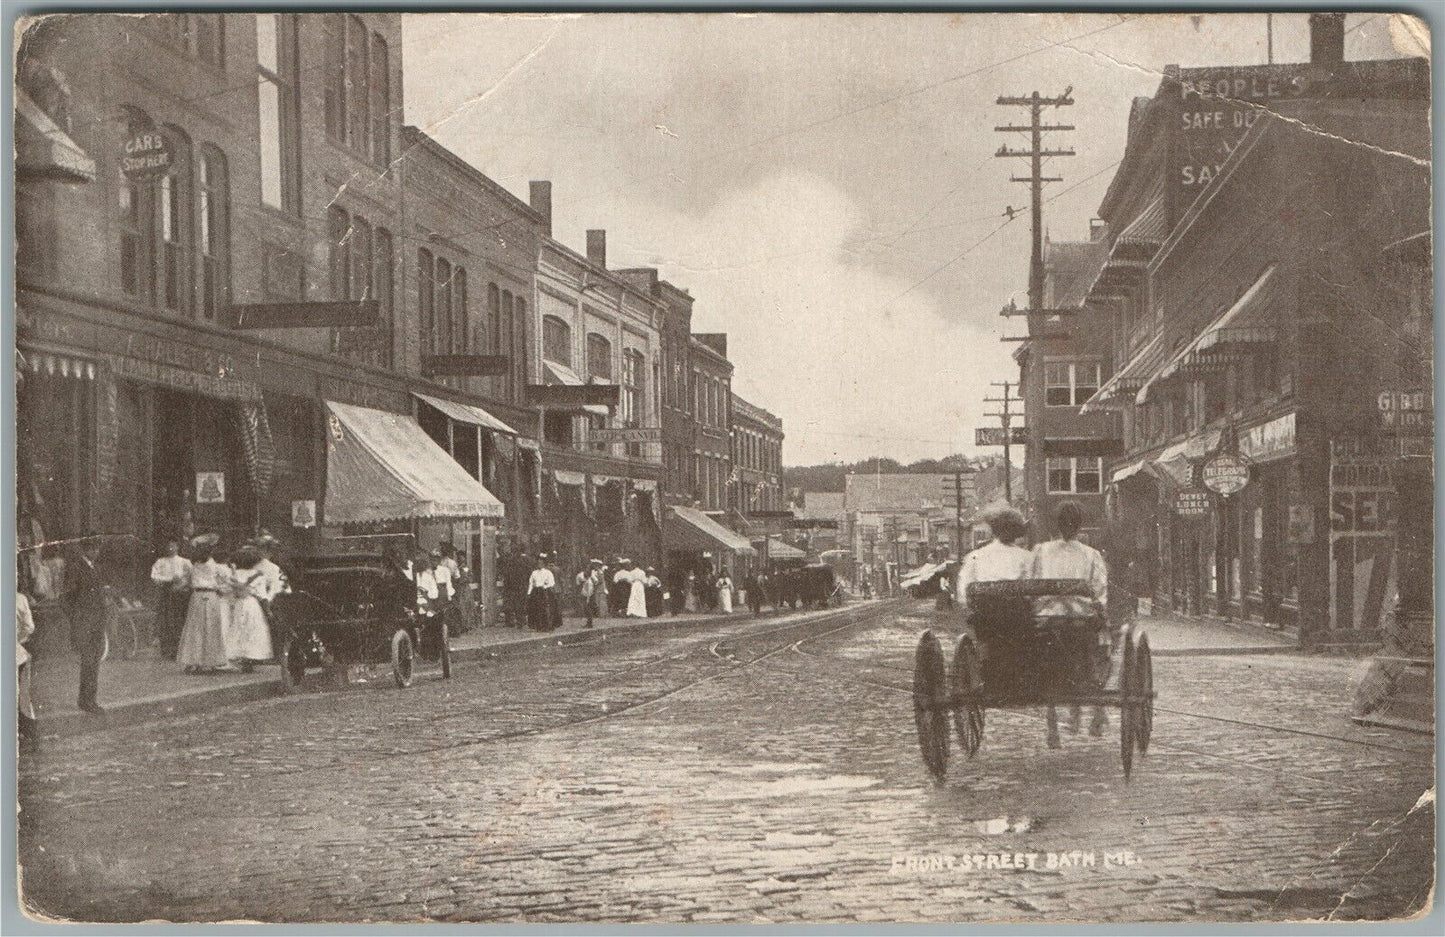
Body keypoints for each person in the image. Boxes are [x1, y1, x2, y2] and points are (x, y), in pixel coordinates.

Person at [1030, 500, 1109, 748]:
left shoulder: (1041, 551)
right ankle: (1094, 693)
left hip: (1046, 620)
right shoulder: (1090, 554)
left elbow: (1031, 584)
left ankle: (1052, 724)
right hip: (1079, 622)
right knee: (1099, 645)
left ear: (1056, 524)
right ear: (1079, 527)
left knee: (1045, 661)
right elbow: (1099, 591)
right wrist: (1097, 607)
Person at [955, 506, 1032, 612]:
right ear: (1017, 531)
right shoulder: (1026, 557)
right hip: (1018, 618)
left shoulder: (975, 556)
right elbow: (1032, 593)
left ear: (993, 530)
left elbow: (963, 592)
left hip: (985, 619)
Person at [176, 534, 232, 674]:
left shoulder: (202, 566)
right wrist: (221, 589)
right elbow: (225, 582)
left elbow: (185, 582)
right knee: (206, 628)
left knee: (198, 628)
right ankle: (203, 662)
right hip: (206, 596)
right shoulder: (206, 566)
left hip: (201, 596)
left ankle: (199, 661)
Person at [66, 538, 109, 713]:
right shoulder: (77, 568)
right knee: (89, 661)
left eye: (97, 548)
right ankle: (87, 700)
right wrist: (76, 617)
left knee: (94, 661)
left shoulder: (95, 568)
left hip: (97, 621)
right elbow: (66, 597)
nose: (95, 552)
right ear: (85, 550)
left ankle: (89, 699)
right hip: (85, 622)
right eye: (91, 548)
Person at [227, 544, 275, 673]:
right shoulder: (258, 575)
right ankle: (249, 658)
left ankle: (239, 656)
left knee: (238, 627)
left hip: (238, 604)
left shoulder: (235, 574)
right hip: (251, 604)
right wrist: (268, 610)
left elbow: (231, 591)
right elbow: (262, 595)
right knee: (252, 629)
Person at [149, 540, 192, 660]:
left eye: (173, 545)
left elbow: (190, 576)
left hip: (180, 594)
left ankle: (179, 649)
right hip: (166, 592)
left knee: (178, 620)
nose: (170, 548)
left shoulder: (184, 562)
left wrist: (181, 584)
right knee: (166, 621)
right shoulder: (161, 561)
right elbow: (154, 576)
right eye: (168, 546)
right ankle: (166, 650)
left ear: (177, 547)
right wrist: (169, 579)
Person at [18, 589, 38, 740]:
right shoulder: (19, 598)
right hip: (18, 655)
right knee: (23, 695)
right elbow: (29, 627)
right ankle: (31, 733)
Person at [526, 555, 559, 632]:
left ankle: (547, 626)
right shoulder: (534, 573)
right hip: (536, 592)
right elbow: (531, 583)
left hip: (545, 592)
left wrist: (545, 586)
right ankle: (538, 626)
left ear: (544, 564)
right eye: (538, 563)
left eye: (541, 563)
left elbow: (552, 583)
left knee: (546, 609)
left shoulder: (548, 572)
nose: (539, 565)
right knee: (536, 609)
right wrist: (529, 592)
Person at [576, 560, 606, 629]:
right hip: (587, 590)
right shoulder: (584, 574)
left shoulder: (590, 575)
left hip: (589, 590)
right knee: (587, 606)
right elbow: (579, 583)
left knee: (587, 606)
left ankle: (589, 623)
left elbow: (596, 582)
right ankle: (589, 622)